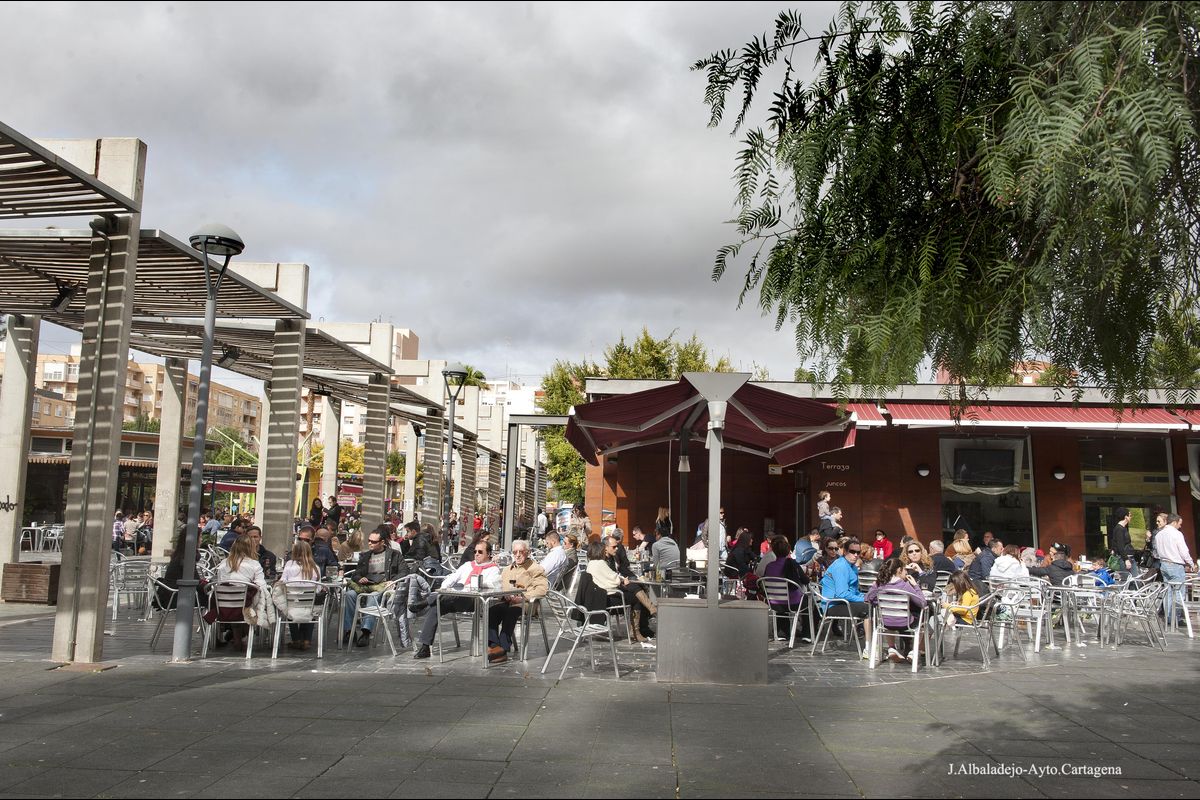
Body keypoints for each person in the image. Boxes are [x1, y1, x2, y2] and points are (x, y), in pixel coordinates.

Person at [413, 539, 502, 659]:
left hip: (474, 601)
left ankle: (426, 601)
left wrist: (473, 584)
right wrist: (445, 587)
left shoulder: (493, 569)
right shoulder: (467, 565)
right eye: (475, 551)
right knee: (435, 608)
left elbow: (494, 584)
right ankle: (425, 647)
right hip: (452, 598)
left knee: (455, 591)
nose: (476, 554)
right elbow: (452, 577)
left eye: (480, 552)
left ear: (488, 554)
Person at [344, 526, 407, 647]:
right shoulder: (366, 556)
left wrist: (392, 581)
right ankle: (348, 630)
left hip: (382, 587)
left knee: (373, 597)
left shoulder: (394, 555)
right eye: (369, 540)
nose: (370, 543)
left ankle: (366, 632)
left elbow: (404, 571)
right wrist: (359, 578)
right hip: (366, 585)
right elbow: (356, 573)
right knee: (349, 595)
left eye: (373, 541)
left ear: (382, 542)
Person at [490, 540, 549, 663]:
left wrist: (524, 597)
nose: (517, 555)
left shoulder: (535, 568)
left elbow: (542, 589)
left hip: (527, 603)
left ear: (527, 552)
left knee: (512, 611)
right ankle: (494, 646)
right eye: (514, 552)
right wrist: (503, 595)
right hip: (508, 601)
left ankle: (503, 648)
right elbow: (501, 587)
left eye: (521, 552)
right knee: (492, 611)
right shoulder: (507, 570)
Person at [589, 538, 657, 642]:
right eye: (614, 547)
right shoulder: (601, 563)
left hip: (603, 594)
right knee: (636, 596)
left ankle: (643, 624)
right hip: (607, 596)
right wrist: (622, 580)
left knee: (636, 587)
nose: (617, 549)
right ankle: (639, 628)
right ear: (604, 549)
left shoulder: (592, 563)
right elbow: (614, 579)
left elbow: (618, 572)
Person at [865, 557, 928, 662]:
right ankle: (913, 651)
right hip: (905, 622)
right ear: (899, 570)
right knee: (922, 622)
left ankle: (891, 648)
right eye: (905, 570)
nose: (906, 572)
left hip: (885, 623)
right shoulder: (904, 585)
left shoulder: (879, 584)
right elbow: (922, 603)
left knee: (889, 618)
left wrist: (874, 588)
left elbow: (867, 598)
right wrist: (916, 586)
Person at [214, 535, 270, 649]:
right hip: (245, 607)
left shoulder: (224, 563)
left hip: (224, 606)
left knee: (239, 601)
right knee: (252, 600)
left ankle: (237, 639)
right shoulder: (254, 564)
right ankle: (243, 637)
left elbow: (221, 582)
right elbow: (261, 586)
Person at [819, 537, 871, 657]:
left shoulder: (851, 566)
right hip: (832, 605)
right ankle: (869, 648)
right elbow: (841, 594)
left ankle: (874, 645)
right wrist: (863, 599)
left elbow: (853, 591)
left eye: (858, 552)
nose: (856, 555)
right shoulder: (841, 566)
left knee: (872, 605)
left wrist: (866, 596)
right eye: (852, 552)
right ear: (845, 552)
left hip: (842, 602)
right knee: (869, 609)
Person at [761, 535, 810, 638]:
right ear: (788, 551)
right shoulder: (793, 564)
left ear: (774, 551)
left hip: (774, 603)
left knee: (785, 600)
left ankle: (782, 630)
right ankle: (807, 634)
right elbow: (805, 580)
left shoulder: (769, 566)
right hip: (792, 603)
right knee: (808, 600)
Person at [279, 540, 322, 650]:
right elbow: (319, 587)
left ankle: (296, 639)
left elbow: (282, 582)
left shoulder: (289, 565)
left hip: (292, 603)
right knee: (312, 607)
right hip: (309, 604)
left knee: (289, 605)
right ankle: (307, 639)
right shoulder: (315, 567)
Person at [1154, 514, 1195, 625]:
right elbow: (1183, 551)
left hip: (1164, 564)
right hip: (1175, 564)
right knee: (1178, 592)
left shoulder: (1159, 535)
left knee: (1168, 591)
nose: (1180, 526)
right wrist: (1191, 563)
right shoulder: (1176, 534)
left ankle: (1168, 617)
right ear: (1174, 522)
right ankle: (1175, 618)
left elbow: (1157, 552)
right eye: (1180, 524)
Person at [1109, 507, 1138, 576]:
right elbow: (1120, 546)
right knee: (1128, 581)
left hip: (1128, 558)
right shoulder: (1119, 529)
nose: (1131, 517)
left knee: (1133, 581)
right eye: (1130, 515)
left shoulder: (1123, 528)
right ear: (1126, 517)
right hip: (1124, 559)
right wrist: (1126, 560)